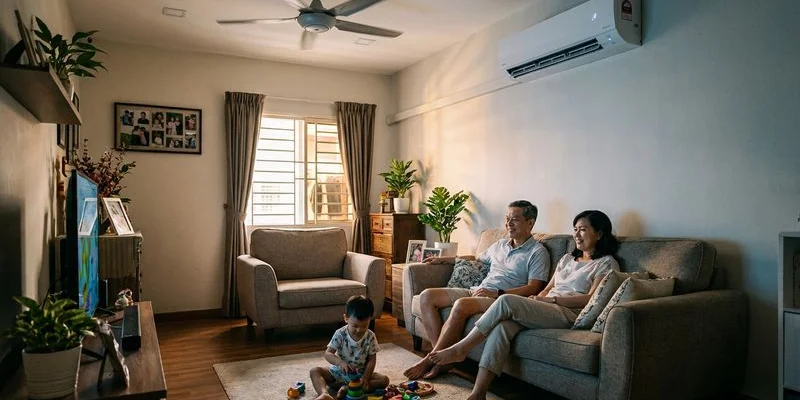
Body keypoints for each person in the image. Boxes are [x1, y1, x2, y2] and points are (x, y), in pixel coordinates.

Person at [428, 210, 620, 400]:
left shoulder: (605, 263)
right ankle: (479, 393)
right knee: (502, 328)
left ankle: (461, 349)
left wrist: (551, 300)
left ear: (600, 234)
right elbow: (547, 289)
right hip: (546, 307)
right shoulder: (567, 258)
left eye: (583, 230)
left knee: (505, 300)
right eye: (575, 229)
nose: (576, 235)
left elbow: (590, 299)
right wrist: (535, 301)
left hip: (569, 313)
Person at [403, 200, 550, 380]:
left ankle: (430, 360)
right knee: (427, 297)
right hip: (479, 290)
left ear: (530, 223)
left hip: (500, 300)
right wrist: (445, 259)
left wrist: (498, 294)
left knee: (461, 305)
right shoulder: (500, 245)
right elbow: (476, 258)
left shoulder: (537, 252)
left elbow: (534, 287)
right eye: (507, 218)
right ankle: (441, 359)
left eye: (515, 219)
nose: (509, 223)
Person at [310, 296, 390, 400]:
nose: (359, 330)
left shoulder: (371, 336)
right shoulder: (340, 334)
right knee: (315, 371)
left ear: (370, 319)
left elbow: (372, 360)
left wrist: (365, 377)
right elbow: (328, 353)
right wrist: (340, 363)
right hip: (339, 373)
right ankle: (324, 394)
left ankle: (347, 389)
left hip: (360, 375)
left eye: (364, 326)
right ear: (346, 318)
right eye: (355, 326)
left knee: (384, 380)